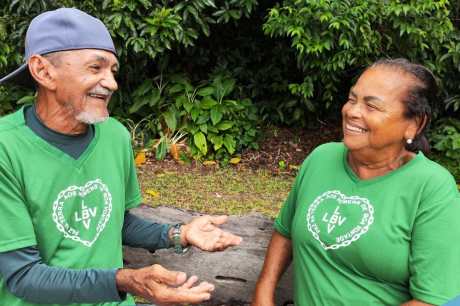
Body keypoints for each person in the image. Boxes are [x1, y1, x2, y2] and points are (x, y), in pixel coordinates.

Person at [0, 8, 242, 306]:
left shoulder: (114, 135)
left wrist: (179, 233)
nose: (112, 83)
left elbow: (114, 222)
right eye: (95, 68)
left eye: (112, 70)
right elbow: (23, 276)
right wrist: (124, 281)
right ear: (43, 71)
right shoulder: (6, 148)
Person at [251, 59, 460, 306]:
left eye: (371, 106)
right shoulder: (321, 158)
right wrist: (263, 293)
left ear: (414, 124)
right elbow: (284, 232)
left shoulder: (432, 188)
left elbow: (432, 300)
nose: (352, 111)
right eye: (352, 99)